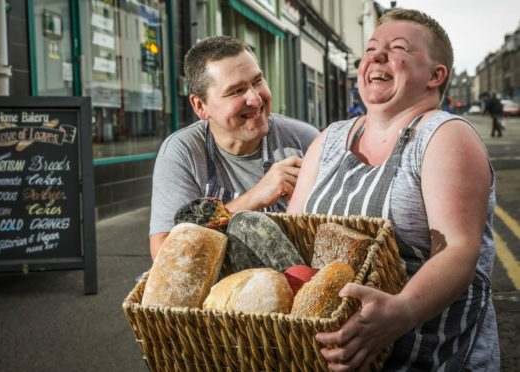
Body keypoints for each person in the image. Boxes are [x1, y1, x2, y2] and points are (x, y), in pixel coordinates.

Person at [288, 9, 499, 371]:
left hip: (432, 356)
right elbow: (291, 236)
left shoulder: (444, 136)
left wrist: (401, 312)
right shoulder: (329, 140)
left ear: (436, 75)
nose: (376, 56)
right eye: (371, 48)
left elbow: (459, 253)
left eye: (398, 47)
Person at [149, 36, 319, 259]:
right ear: (200, 106)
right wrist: (254, 198)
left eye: (257, 81)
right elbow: (164, 254)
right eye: (237, 91)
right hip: (216, 289)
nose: (256, 99)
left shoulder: (305, 141)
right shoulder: (183, 152)